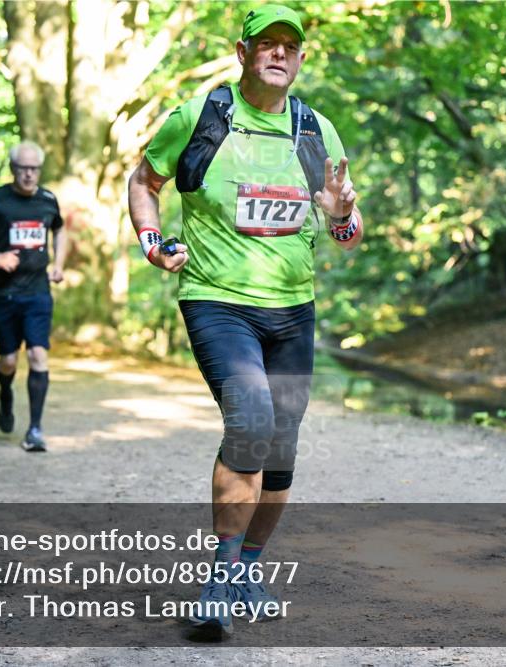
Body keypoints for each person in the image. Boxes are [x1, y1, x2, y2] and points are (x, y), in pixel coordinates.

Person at [128, 4, 364, 636]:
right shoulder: (202, 117)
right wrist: (152, 241)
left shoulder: (316, 132)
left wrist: (342, 213)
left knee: (280, 448)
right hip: (217, 299)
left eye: (291, 44)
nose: (279, 53)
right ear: (243, 51)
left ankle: (248, 567)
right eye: (267, 43)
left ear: (301, 58)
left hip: (293, 309)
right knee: (252, 421)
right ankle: (218, 578)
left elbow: (346, 231)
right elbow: (144, 180)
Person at [0, 141, 67, 453]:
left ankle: (35, 429)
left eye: (34, 169)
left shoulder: (48, 200)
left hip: (37, 293)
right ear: (13, 169)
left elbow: (59, 230)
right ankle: (5, 391)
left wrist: (58, 264)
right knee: (8, 360)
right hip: (2, 294)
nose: (29, 174)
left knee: (37, 355)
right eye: (23, 168)